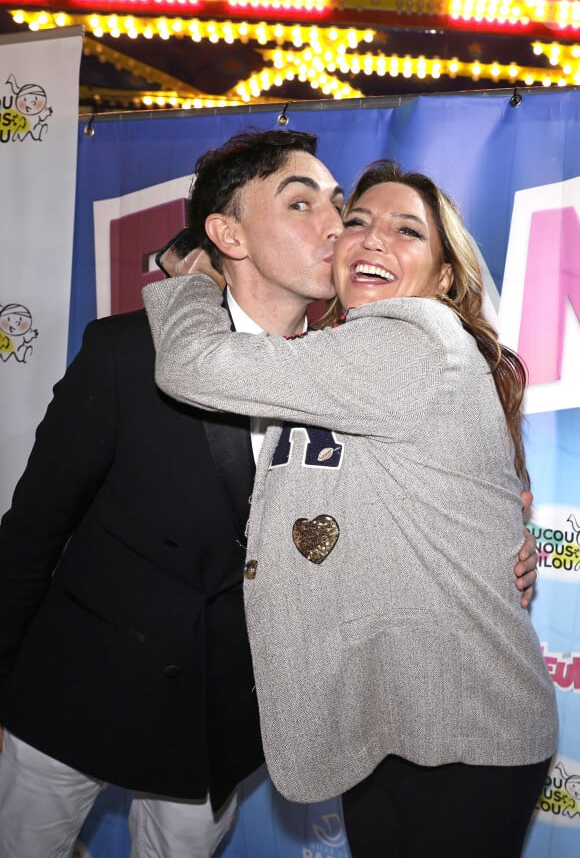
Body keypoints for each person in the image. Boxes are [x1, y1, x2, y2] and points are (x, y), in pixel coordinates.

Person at [0, 129, 537, 858]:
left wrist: (500, 547)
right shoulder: (128, 352)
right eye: (304, 203)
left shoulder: (364, 363)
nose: (337, 228)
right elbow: (32, 531)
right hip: (74, 701)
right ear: (228, 233)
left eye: (337, 206)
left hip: (218, 730)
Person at [143, 153, 558, 857]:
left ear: (445, 276)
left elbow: (193, 365)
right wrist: (509, 530)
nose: (370, 238)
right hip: (387, 716)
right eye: (358, 222)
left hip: (465, 732)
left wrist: (193, 286)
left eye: (407, 231)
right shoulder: (341, 355)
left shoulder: (414, 341)